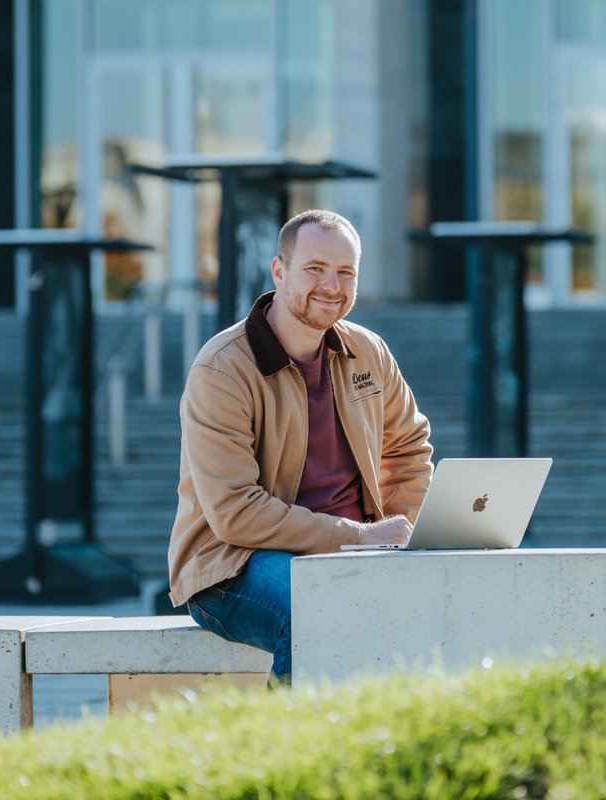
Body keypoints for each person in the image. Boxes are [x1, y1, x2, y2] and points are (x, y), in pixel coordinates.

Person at [167, 208, 434, 685]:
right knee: (318, 613)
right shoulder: (222, 370)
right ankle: (290, 754)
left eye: (345, 272)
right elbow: (235, 513)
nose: (332, 286)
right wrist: (357, 537)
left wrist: (398, 531)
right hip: (232, 564)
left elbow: (409, 447)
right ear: (279, 271)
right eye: (315, 269)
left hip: (353, 555)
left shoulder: (368, 351)